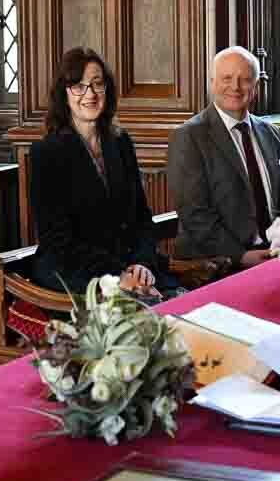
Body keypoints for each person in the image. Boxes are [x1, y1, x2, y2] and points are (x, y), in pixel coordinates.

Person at [29, 47, 179, 300]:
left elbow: (142, 218)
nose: (89, 94)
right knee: (146, 309)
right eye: (79, 86)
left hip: (131, 264)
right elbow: (57, 241)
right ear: (64, 93)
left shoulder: (120, 143)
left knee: (183, 303)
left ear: (106, 90)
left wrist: (142, 264)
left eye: (97, 84)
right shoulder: (47, 152)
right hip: (76, 270)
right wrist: (118, 273)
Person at [168, 46, 280, 265]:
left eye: (245, 79)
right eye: (227, 78)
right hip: (214, 264)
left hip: (274, 256)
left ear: (255, 87)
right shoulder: (189, 136)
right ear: (212, 82)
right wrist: (240, 256)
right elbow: (195, 215)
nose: (235, 87)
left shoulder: (273, 134)